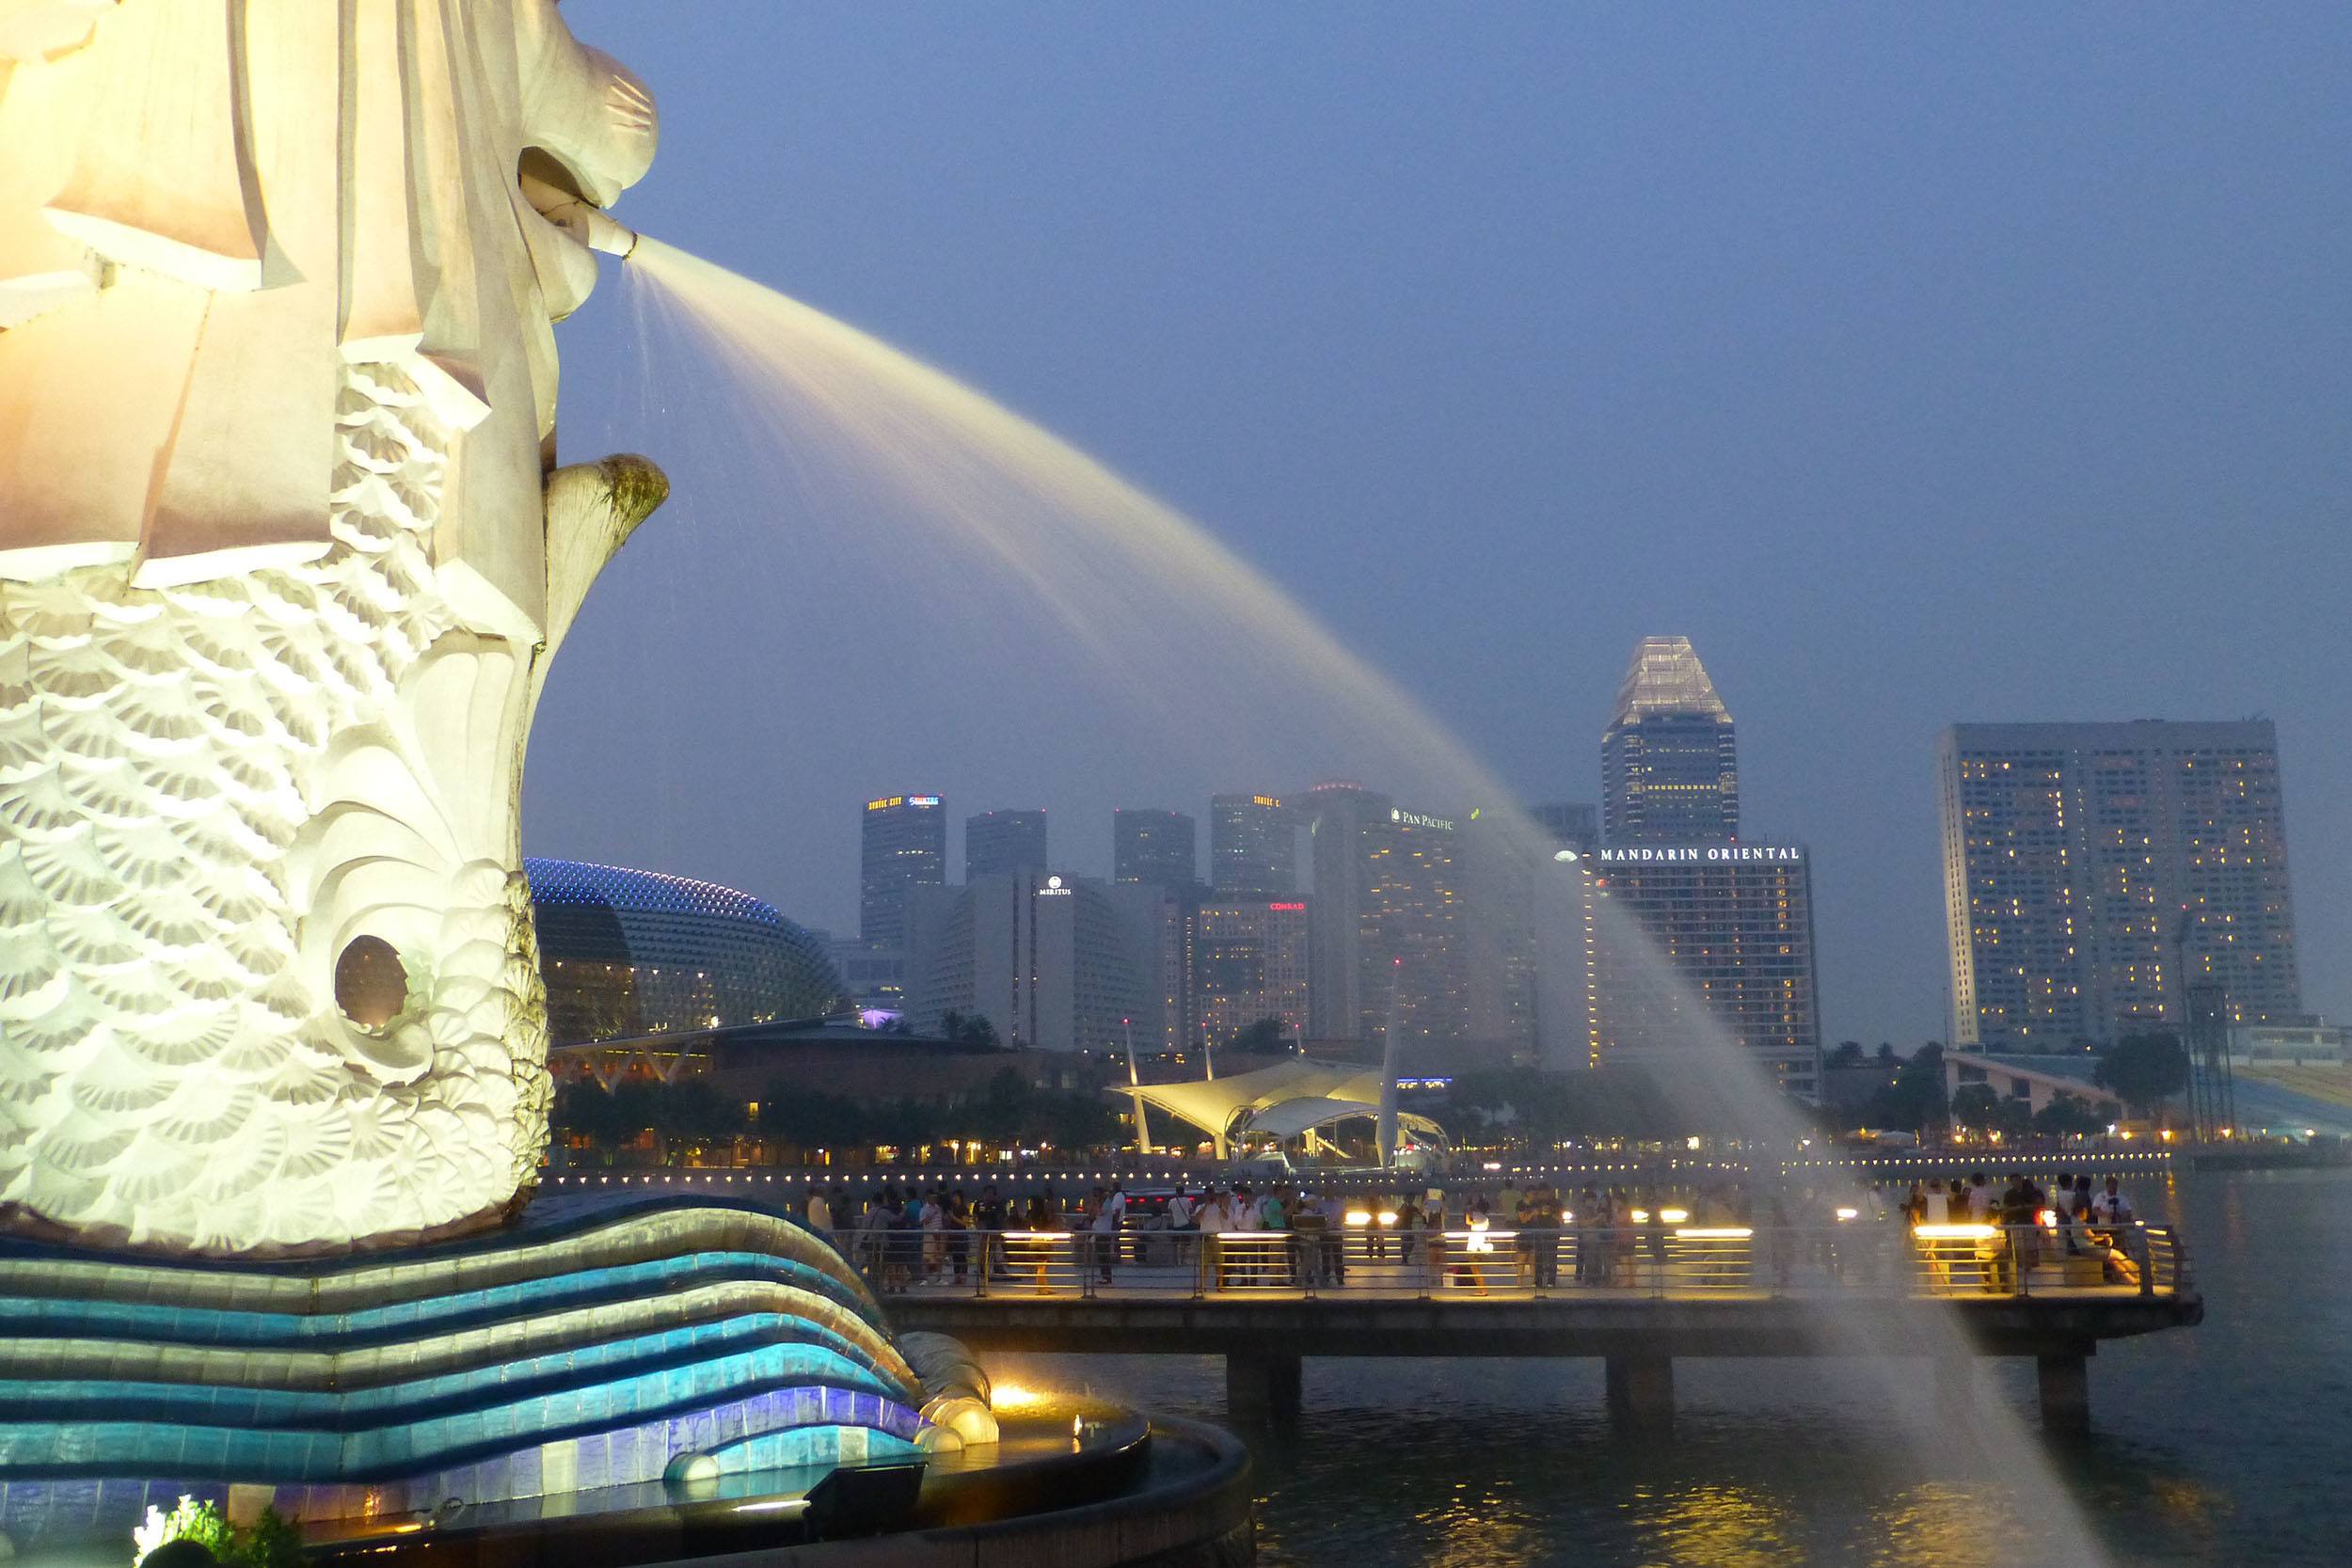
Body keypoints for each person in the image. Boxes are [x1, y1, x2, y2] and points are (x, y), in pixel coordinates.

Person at [1091, 1184, 1126, 1284]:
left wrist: (1095, 1203)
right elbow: (1092, 1213)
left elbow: (1099, 1212)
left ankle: (1107, 1277)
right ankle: (1105, 1276)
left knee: (1104, 1255)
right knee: (1101, 1256)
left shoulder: (1106, 1204)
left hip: (1104, 1232)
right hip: (1099, 1232)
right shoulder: (1104, 1203)